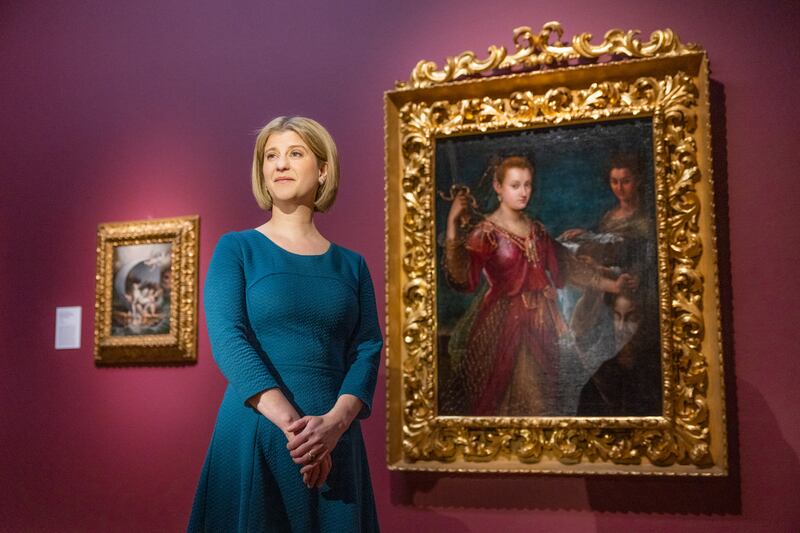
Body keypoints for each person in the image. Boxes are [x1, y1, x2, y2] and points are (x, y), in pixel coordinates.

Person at [189, 116, 383, 532]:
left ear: (323, 169)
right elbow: (229, 340)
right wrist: (300, 434)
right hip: (258, 429)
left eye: (295, 154)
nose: (280, 165)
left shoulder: (352, 265)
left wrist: (334, 425)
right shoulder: (237, 248)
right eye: (270, 156)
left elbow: (367, 347)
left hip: (335, 434)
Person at [441, 156, 634, 417]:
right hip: (503, 326)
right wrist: (453, 224)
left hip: (543, 324)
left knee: (547, 398)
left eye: (528, 185)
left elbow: (569, 267)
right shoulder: (485, 233)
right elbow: (464, 279)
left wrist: (614, 285)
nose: (523, 192)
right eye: (515, 185)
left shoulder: (537, 231)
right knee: (513, 397)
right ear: (498, 187)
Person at [577, 291, 662, 416]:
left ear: (644, 321)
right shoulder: (600, 372)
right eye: (617, 316)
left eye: (631, 318)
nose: (621, 327)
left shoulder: (655, 368)